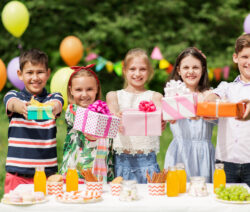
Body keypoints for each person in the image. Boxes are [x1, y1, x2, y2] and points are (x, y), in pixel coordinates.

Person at [3, 49, 64, 193]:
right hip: (17, 175)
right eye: (30, 72)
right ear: (20, 75)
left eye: (40, 72)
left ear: (48, 73)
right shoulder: (15, 96)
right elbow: (11, 103)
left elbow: (57, 105)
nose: (35, 77)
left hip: (47, 176)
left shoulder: (53, 97)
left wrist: (51, 108)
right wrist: (21, 107)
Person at [106, 48, 164, 184]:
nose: (137, 73)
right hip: (121, 162)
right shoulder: (114, 95)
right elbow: (113, 111)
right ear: (124, 70)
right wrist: (116, 116)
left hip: (147, 162)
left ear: (149, 71)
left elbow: (161, 115)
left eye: (142, 69)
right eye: (132, 69)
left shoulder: (155, 96)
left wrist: (162, 121)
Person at [164, 47, 216, 183]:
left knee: (202, 193)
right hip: (179, 153)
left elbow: (217, 114)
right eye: (186, 67)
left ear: (203, 69)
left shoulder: (210, 95)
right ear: (178, 71)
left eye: (196, 67)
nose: (191, 71)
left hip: (203, 154)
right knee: (178, 192)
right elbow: (168, 118)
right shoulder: (173, 94)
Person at [205, 33, 250, 186]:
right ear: (235, 57)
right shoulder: (226, 87)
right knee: (223, 205)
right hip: (225, 163)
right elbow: (211, 98)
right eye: (245, 56)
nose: (249, 62)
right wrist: (213, 104)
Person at [59, 64, 113, 183]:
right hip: (75, 175)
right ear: (71, 90)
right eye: (78, 90)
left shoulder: (105, 112)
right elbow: (92, 124)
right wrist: (112, 120)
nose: (84, 94)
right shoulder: (72, 111)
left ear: (97, 89)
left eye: (89, 89)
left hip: (101, 175)